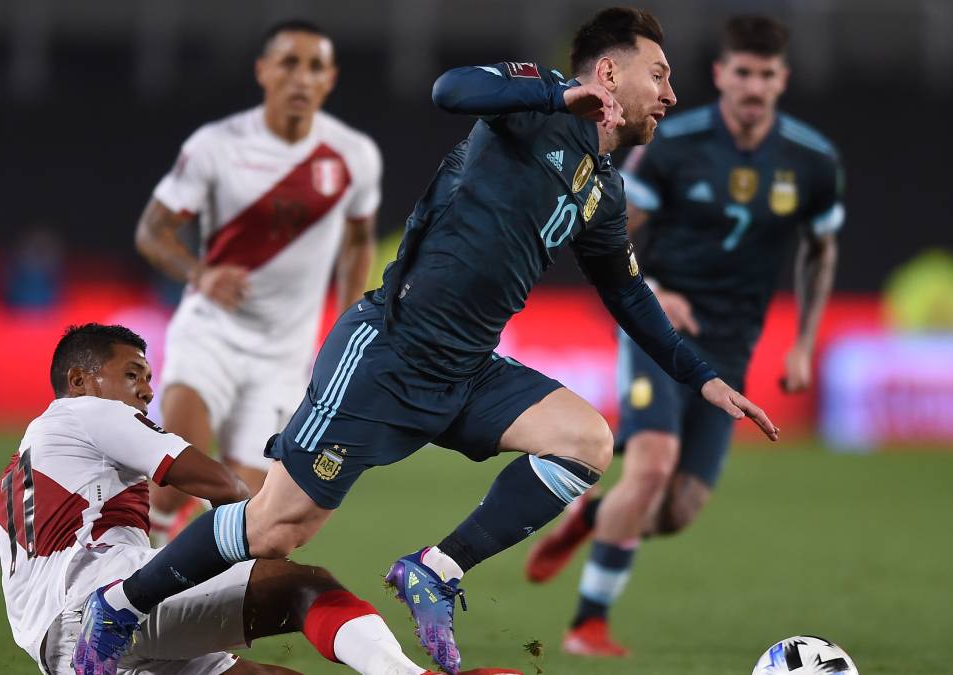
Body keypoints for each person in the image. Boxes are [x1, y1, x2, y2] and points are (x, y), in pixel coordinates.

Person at [76, 8, 779, 675]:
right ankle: (121, 604)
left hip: (468, 372)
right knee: (276, 528)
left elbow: (627, 293)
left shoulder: (604, 189)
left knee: (586, 440)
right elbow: (450, 89)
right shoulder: (530, 110)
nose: (670, 92)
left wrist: (702, 376)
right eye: (657, 74)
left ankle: (434, 570)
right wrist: (561, 97)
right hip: (388, 352)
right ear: (606, 73)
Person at [0, 324, 506, 675]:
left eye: (148, 379)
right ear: (79, 381)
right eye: (131, 374)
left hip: (74, 653)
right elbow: (223, 485)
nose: (144, 392)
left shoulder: (7, 492)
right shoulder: (84, 414)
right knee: (301, 586)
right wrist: (249, 544)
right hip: (105, 614)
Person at [523, 15, 845, 657]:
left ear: (783, 79)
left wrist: (805, 341)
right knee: (651, 468)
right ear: (722, 75)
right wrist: (657, 293)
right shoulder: (673, 144)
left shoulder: (811, 162)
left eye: (767, 74)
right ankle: (587, 626)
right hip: (660, 331)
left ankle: (588, 517)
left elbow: (820, 250)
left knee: (677, 510)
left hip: (734, 345)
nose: (754, 86)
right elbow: (615, 221)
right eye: (742, 72)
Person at [136, 19, 381, 536]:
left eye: (314, 66)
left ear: (329, 79)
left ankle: (177, 590)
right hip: (211, 335)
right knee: (167, 485)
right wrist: (199, 273)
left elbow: (358, 242)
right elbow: (152, 231)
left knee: (244, 518)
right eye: (289, 63)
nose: (301, 77)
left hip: (283, 359)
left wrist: (350, 324)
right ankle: (125, 589)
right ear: (264, 71)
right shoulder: (216, 145)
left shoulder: (354, 156)